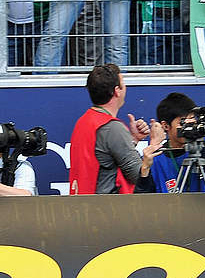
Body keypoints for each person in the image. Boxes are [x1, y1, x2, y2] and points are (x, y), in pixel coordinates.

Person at [68, 63, 164, 194]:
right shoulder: (113, 128)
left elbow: (105, 156)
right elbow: (140, 177)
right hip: (107, 209)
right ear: (117, 91)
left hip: (85, 205)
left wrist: (133, 140)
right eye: (123, 83)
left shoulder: (84, 121)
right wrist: (155, 144)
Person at [134, 92, 205, 193]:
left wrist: (201, 145)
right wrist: (145, 168)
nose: (189, 127)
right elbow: (142, 201)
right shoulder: (157, 157)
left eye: (192, 119)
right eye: (182, 122)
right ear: (165, 126)